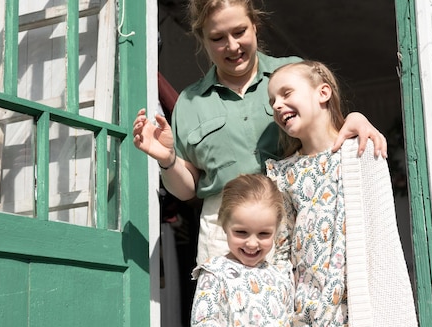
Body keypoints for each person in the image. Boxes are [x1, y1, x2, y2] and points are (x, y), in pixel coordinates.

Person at [132, 0, 388, 265]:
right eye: (218, 38)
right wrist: (167, 158)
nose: (232, 46)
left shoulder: (291, 73)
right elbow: (187, 190)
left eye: (239, 31)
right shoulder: (189, 102)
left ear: (255, 26)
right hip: (225, 234)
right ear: (203, 40)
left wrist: (356, 119)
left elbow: (327, 132)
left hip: (295, 219)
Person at [265, 60, 432, 327]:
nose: (278, 105)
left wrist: (356, 118)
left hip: (351, 315)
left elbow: (380, 237)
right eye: (272, 102)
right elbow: (280, 253)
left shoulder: (359, 152)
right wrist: (281, 322)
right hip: (307, 320)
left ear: (323, 92)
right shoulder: (282, 174)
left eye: (286, 94)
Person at [190, 173, 308, 327]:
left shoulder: (280, 277)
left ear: (276, 230)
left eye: (263, 234)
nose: (252, 244)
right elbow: (202, 324)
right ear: (224, 225)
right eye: (241, 232)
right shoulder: (215, 272)